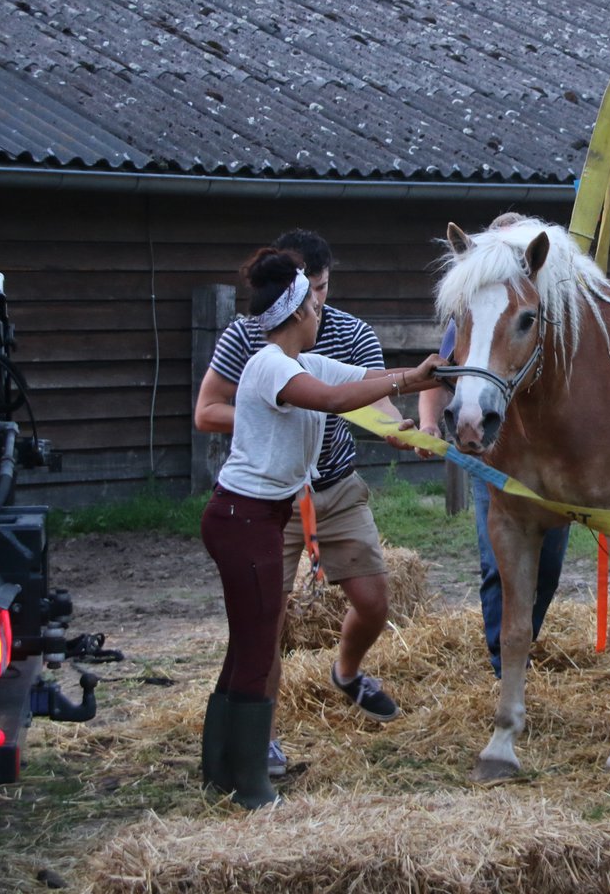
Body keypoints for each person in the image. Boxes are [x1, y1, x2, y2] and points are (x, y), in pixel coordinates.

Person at [197, 248, 441, 808]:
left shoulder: (301, 361)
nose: (319, 309)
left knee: (248, 647)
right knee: (258, 648)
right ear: (297, 312)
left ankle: (222, 767)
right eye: (313, 301)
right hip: (245, 519)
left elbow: (359, 381)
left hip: (255, 516)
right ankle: (252, 785)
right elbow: (332, 400)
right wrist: (407, 379)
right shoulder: (271, 366)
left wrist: (420, 377)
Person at [416, 213, 570, 678]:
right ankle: (505, 664)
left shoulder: (544, 314)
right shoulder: (476, 309)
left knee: (548, 568)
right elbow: (441, 369)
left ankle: (523, 644)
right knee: (497, 564)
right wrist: (427, 423)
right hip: (495, 455)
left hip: (549, 463)